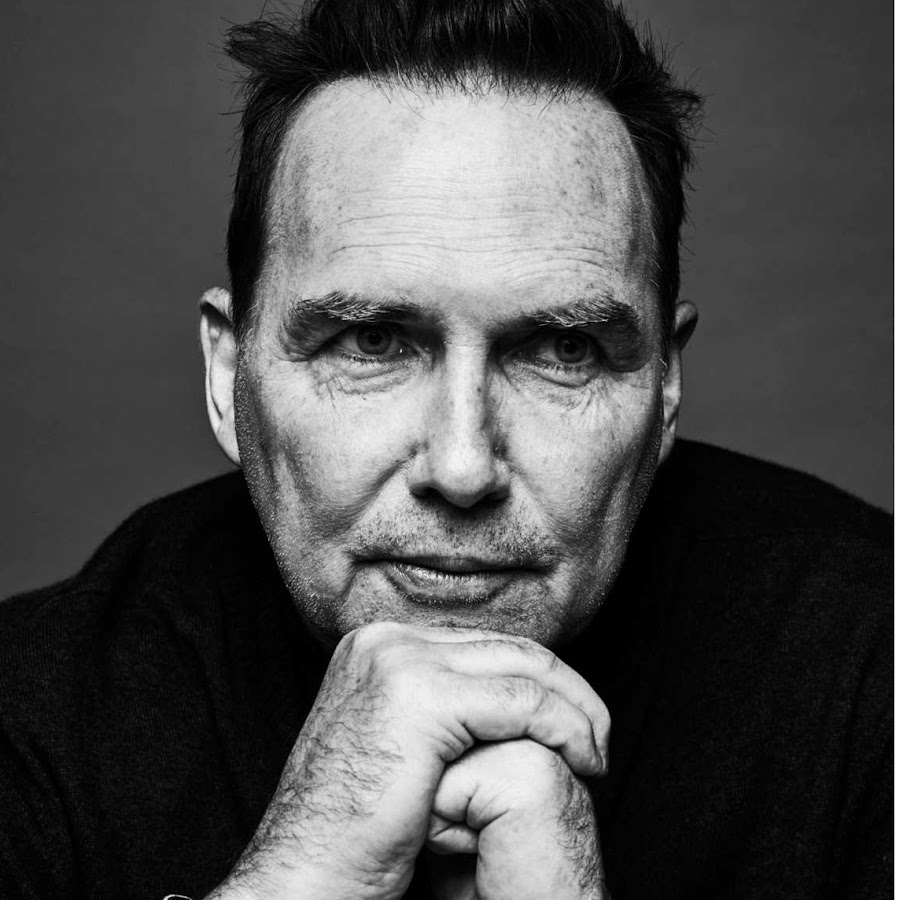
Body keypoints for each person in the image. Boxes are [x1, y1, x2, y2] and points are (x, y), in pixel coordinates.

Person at [0, 0, 890, 898]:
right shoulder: (29, 714)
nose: (463, 469)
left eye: (564, 350)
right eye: (372, 342)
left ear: (663, 392)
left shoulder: (869, 663)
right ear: (229, 377)